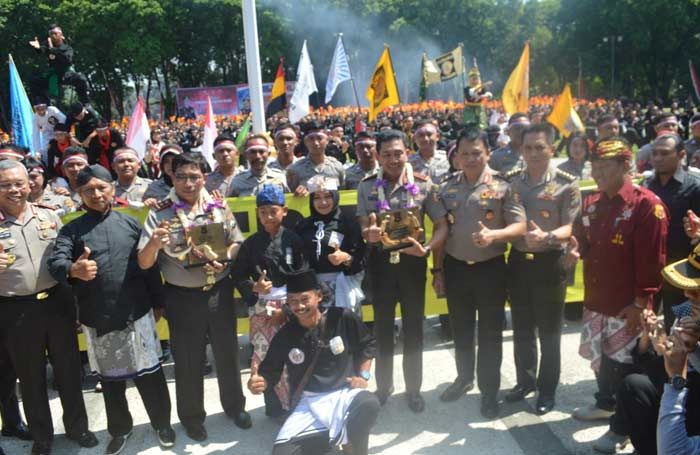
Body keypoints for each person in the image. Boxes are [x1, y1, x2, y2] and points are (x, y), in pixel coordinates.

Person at [47, 164, 174, 454]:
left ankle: (162, 424)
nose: (96, 194)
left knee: (150, 376)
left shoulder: (131, 224)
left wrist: (158, 302)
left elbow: (149, 267)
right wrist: (73, 269)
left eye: (101, 187)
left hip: (136, 314)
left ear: (112, 189)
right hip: (98, 317)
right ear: (79, 194)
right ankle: (120, 429)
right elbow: (55, 263)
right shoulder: (71, 230)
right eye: (88, 190)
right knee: (112, 382)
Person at [137, 152, 251, 441]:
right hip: (183, 297)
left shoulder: (217, 204)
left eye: (195, 176)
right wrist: (153, 243)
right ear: (172, 178)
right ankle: (191, 418)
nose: (188, 183)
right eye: (182, 177)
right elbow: (144, 263)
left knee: (227, 352)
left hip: (219, 291)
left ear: (204, 177)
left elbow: (236, 240)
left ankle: (234, 407)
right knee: (188, 361)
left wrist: (225, 259)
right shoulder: (160, 213)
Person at [570, 137, 668, 452]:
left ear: (626, 166)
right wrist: (575, 249)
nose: (597, 173)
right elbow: (584, 244)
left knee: (627, 369)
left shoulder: (645, 206)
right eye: (594, 167)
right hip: (597, 301)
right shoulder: (592, 203)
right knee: (602, 363)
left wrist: (640, 303)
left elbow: (652, 262)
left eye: (605, 167)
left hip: (628, 306)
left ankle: (621, 428)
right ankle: (604, 404)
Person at [0, 160, 97, 455]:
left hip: (58, 303)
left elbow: (67, 258)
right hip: (15, 309)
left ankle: (78, 427)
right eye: (6, 185)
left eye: (19, 183)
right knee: (30, 377)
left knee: (68, 370)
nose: (14, 190)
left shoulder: (51, 216)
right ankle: (42, 436)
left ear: (30, 184)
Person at [431, 127, 526, 418]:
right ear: (456, 157)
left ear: (487, 153)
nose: (471, 159)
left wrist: (495, 235)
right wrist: (437, 271)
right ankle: (463, 379)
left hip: (491, 271)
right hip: (456, 268)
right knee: (460, 330)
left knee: (490, 335)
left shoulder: (504, 186)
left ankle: (489, 391)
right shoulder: (444, 187)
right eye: (465, 154)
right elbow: (440, 231)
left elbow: (519, 225)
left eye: (476, 153)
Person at [356, 129, 448, 413]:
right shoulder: (366, 186)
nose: (393, 159)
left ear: (406, 152)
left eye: (398, 153)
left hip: (412, 264)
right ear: (378, 156)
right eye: (387, 154)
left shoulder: (423, 184)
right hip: (381, 267)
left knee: (414, 330)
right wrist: (367, 234)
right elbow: (363, 225)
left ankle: (413, 389)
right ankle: (384, 386)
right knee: (382, 330)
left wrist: (429, 249)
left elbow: (443, 224)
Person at [248, 269, 380, 455]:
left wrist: (363, 375)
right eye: (293, 301)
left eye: (304, 299)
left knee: (369, 403)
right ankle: (331, 439)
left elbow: (367, 344)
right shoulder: (286, 334)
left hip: (343, 394)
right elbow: (270, 371)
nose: (299, 306)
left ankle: (352, 443)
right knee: (282, 453)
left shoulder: (342, 317)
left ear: (318, 296)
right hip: (309, 402)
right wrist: (258, 382)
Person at [504, 124, 581, 415]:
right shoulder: (512, 182)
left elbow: (571, 226)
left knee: (549, 333)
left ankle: (547, 391)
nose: (534, 153)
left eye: (540, 147)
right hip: (519, 263)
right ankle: (525, 382)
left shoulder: (566, 183)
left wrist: (547, 237)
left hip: (550, 263)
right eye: (528, 148)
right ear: (521, 150)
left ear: (551, 149)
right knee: (522, 328)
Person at [232, 184, 305, 418]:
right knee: (265, 358)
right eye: (263, 211)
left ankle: (296, 404)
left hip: (290, 306)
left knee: (294, 355)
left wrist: (289, 307)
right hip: (261, 309)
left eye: (273, 210)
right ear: (257, 214)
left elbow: (304, 275)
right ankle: (274, 408)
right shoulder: (251, 243)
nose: (268, 216)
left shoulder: (294, 240)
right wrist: (254, 287)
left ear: (284, 211)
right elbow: (238, 274)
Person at [643, 133, 700, 331]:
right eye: (654, 153)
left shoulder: (694, 187)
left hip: (681, 278)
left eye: (664, 153)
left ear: (681, 154)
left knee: (679, 330)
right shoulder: (646, 186)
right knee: (643, 331)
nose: (657, 158)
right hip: (650, 274)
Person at [296, 176, 365, 312]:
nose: (323, 202)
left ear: (335, 197)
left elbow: (361, 257)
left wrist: (346, 258)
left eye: (328, 197)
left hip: (343, 285)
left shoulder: (347, 224)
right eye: (317, 197)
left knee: (345, 328)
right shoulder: (303, 226)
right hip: (312, 289)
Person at [28, 24, 90, 104]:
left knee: (81, 78)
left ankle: (85, 103)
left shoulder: (67, 48)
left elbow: (68, 61)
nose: (53, 36)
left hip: (65, 74)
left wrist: (54, 51)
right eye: (51, 34)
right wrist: (37, 48)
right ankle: (43, 104)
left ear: (61, 35)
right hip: (53, 75)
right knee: (34, 80)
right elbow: (42, 50)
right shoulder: (47, 46)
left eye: (55, 33)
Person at [287, 121, 346, 196]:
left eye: (319, 138)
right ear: (305, 141)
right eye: (311, 139)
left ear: (327, 140)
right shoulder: (295, 169)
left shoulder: (337, 167)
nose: (316, 143)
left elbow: (344, 193)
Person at [31, 98, 66, 164]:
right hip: (47, 137)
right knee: (45, 152)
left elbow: (63, 120)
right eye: (38, 109)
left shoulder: (53, 110)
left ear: (46, 107)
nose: (41, 111)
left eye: (42, 108)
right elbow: (35, 134)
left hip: (59, 133)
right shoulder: (35, 118)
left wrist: (59, 132)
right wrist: (37, 151)